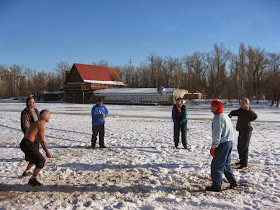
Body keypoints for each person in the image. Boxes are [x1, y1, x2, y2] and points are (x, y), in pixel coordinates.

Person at [206, 99, 237, 192]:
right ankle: (232, 181)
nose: (211, 108)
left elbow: (217, 134)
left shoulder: (218, 118)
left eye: (212, 106)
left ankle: (216, 185)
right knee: (225, 164)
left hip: (222, 144)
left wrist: (214, 147)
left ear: (217, 107)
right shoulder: (225, 116)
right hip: (229, 142)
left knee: (216, 165)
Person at [20, 109, 52, 186]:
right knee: (41, 160)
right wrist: (47, 151)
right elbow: (42, 141)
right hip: (28, 144)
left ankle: (26, 172)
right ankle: (33, 179)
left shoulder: (37, 123)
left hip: (25, 143)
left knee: (34, 158)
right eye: (49, 116)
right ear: (45, 117)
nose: (49, 117)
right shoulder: (40, 125)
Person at [229, 97, 258, 169]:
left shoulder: (249, 112)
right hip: (241, 131)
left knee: (244, 147)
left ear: (246, 104)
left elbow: (255, 117)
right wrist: (230, 115)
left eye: (242, 103)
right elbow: (234, 112)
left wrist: (248, 109)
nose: (241, 104)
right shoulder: (240, 111)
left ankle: (244, 163)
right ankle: (241, 160)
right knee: (240, 147)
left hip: (247, 131)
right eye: (240, 103)